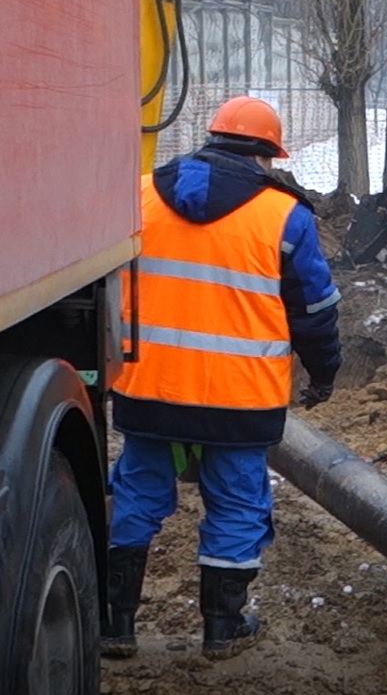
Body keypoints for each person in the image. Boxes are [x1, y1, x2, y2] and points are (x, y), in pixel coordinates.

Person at [104, 96, 343, 661]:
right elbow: (314, 312)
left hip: (149, 387)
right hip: (239, 398)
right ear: (267, 154)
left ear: (210, 140)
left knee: (136, 493)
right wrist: (324, 373)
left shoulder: (140, 195)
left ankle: (114, 623)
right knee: (237, 503)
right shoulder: (285, 216)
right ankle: (221, 628)